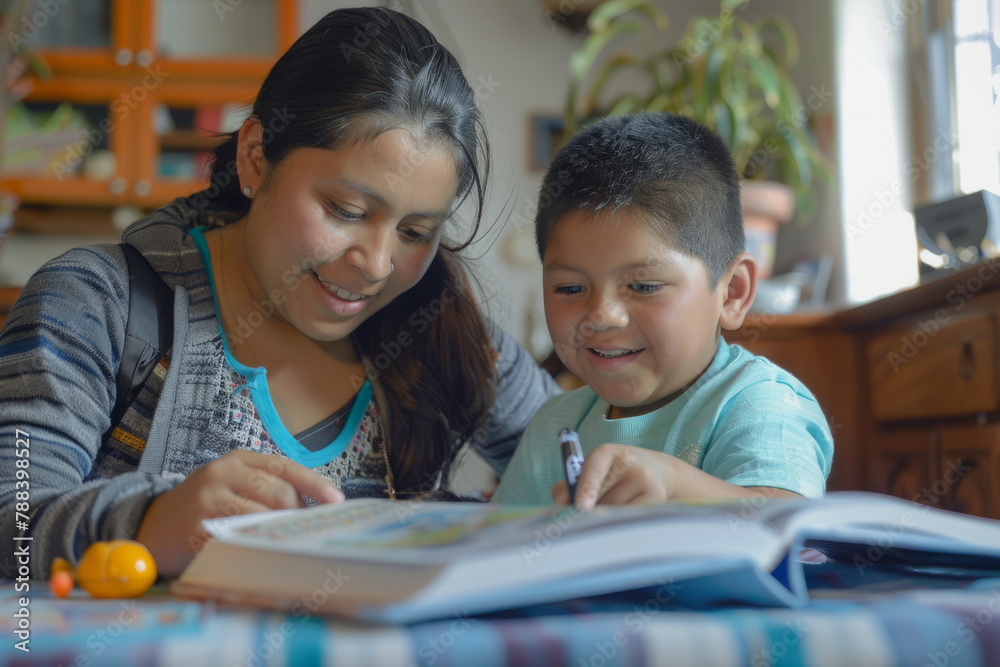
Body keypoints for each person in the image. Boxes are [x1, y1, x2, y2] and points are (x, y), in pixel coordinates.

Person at [0, 8, 559, 577]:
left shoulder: (442, 327)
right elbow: (10, 522)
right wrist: (149, 521)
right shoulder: (97, 304)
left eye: (416, 232)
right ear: (255, 156)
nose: (377, 264)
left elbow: (570, 461)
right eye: (347, 210)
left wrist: (643, 476)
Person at [492, 112, 833, 508]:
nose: (602, 315)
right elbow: (497, 547)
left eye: (643, 286)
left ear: (732, 292)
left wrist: (674, 485)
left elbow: (789, 524)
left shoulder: (759, 403)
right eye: (570, 288)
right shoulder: (553, 426)